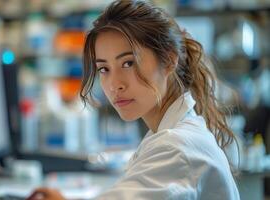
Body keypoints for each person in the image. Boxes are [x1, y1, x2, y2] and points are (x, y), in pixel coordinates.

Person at [27, 0, 240, 199]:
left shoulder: (176, 148)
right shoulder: (167, 134)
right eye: (104, 69)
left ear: (168, 60)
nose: (114, 84)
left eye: (128, 63)